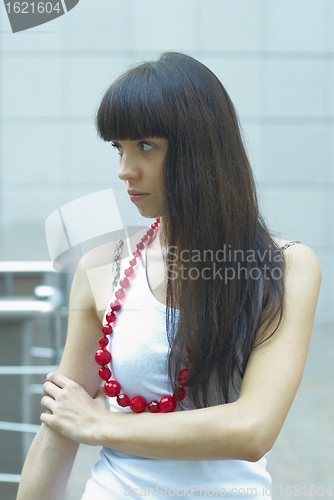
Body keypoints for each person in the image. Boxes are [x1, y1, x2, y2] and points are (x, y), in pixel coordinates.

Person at [17, 52, 321, 500]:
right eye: (118, 148)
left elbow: (252, 429)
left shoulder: (284, 268)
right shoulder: (102, 267)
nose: (124, 170)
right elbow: (60, 430)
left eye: (145, 145)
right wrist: (82, 422)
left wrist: (101, 423)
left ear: (200, 149)